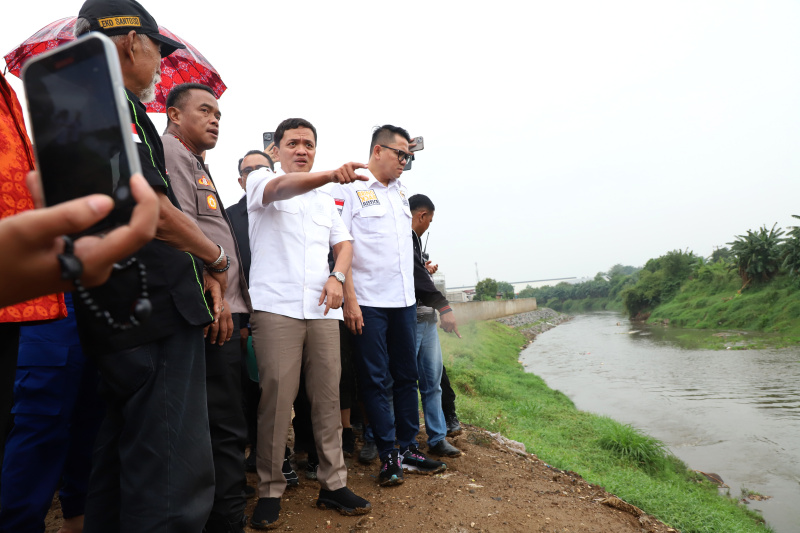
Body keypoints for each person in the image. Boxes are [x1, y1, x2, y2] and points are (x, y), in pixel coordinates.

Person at [73, 1, 231, 530]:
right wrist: (215, 257)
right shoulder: (112, 105)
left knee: (124, 458)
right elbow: (155, 211)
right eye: (156, 50)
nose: (161, 64)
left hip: (118, 311)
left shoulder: (75, 104)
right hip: (152, 315)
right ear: (128, 44)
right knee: (171, 472)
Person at [247, 118, 370, 529]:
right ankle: (269, 490)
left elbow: (345, 244)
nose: (302, 150)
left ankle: (333, 484)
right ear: (277, 149)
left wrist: (337, 277)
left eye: (309, 144)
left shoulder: (325, 200)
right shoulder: (262, 180)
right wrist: (330, 175)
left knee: (328, 399)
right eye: (293, 143)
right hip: (276, 307)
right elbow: (281, 188)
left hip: (321, 311)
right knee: (278, 402)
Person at [162, 83, 252, 533]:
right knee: (222, 425)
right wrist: (213, 298)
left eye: (218, 112)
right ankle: (224, 521)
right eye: (204, 110)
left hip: (223, 308)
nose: (215, 119)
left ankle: (224, 512)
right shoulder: (171, 154)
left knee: (225, 421)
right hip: (207, 310)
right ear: (174, 115)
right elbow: (180, 230)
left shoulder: (195, 161)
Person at [335, 125, 446, 486]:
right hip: (368, 302)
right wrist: (350, 299)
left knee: (406, 377)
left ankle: (408, 448)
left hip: (404, 303)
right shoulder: (351, 189)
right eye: (401, 154)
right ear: (378, 151)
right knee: (376, 379)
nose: (406, 161)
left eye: (409, 156)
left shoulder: (401, 193)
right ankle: (387, 456)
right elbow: (340, 246)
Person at [408, 193, 462, 457]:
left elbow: (417, 275)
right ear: (422, 216)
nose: (429, 224)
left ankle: (437, 438)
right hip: (410, 321)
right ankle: (404, 442)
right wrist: (445, 307)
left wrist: (424, 269)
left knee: (433, 383)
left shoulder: (416, 243)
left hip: (427, 321)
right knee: (404, 383)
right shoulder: (404, 237)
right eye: (430, 219)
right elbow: (415, 278)